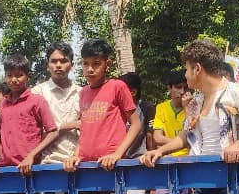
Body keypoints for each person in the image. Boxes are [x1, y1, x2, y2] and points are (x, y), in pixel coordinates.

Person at [141, 38, 239, 166]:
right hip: (201, 176)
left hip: (233, 176)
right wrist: (159, 151)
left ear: (197, 69)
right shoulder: (196, 102)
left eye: (187, 69)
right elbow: (186, 135)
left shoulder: (237, 94)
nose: (185, 74)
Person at [63, 39, 142, 172]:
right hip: (85, 167)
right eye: (85, 64)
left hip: (111, 166)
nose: (90, 69)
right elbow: (85, 128)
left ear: (108, 64)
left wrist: (117, 154)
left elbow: (136, 124)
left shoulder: (118, 86)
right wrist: (75, 155)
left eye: (96, 64)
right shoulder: (83, 93)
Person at [0, 54, 59, 177]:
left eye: (19, 75)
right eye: (9, 75)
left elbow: (53, 132)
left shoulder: (37, 101)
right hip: (5, 171)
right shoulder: (4, 104)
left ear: (28, 77)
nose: (14, 79)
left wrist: (31, 156)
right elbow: (2, 138)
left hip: (30, 169)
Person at [31, 42, 82, 165]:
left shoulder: (82, 93)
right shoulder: (38, 93)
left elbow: (86, 130)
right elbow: (34, 133)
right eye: (54, 61)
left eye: (63, 61)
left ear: (72, 65)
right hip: (46, 164)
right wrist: (71, 125)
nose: (58, 65)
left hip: (76, 163)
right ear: (47, 65)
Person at [153, 69, 190, 157]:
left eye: (185, 88)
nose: (182, 92)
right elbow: (157, 138)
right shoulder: (161, 108)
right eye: (178, 87)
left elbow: (194, 136)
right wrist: (181, 143)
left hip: (190, 156)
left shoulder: (196, 107)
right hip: (167, 156)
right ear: (169, 88)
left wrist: (186, 107)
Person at [118, 71, 155, 157]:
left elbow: (150, 135)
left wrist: (151, 156)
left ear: (133, 92)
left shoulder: (146, 108)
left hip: (138, 159)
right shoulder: (115, 109)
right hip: (116, 159)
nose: (117, 93)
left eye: (121, 91)